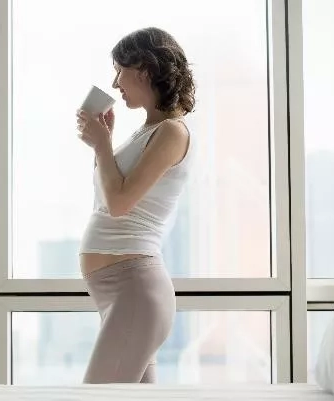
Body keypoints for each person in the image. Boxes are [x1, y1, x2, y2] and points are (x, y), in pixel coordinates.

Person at [76, 27, 196, 384]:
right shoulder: (146, 130)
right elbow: (109, 195)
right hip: (122, 292)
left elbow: (120, 203)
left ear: (145, 68)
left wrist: (101, 147)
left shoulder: (172, 132)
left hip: (134, 290)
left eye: (119, 70)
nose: (115, 83)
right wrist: (104, 142)